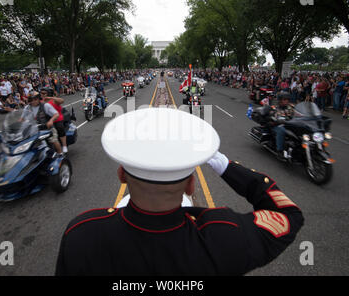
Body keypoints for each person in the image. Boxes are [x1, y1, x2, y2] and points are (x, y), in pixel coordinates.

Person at [55, 107, 304, 276]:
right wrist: (224, 166)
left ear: (122, 176)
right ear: (190, 185)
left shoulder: (82, 234)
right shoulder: (226, 236)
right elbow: (288, 213)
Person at [40, 89, 68, 154]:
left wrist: (51, 98)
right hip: (46, 120)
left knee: (59, 127)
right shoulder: (40, 102)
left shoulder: (53, 101)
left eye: (44, 93)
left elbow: (62, 100)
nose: (42, 95)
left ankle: (64, 146)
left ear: (48, 94)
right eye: (41, 93)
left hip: (57, 118)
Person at [270, 92, 294, 160]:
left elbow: (298, 114)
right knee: (282, 130)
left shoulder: (291, 107)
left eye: (288, 99)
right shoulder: (274, 108)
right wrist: (277, 120)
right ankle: (279, 150)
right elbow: (272, 117)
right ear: (280, 100)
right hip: (278, 125)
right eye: (285, 99)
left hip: (290, 124)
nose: (287, 101)